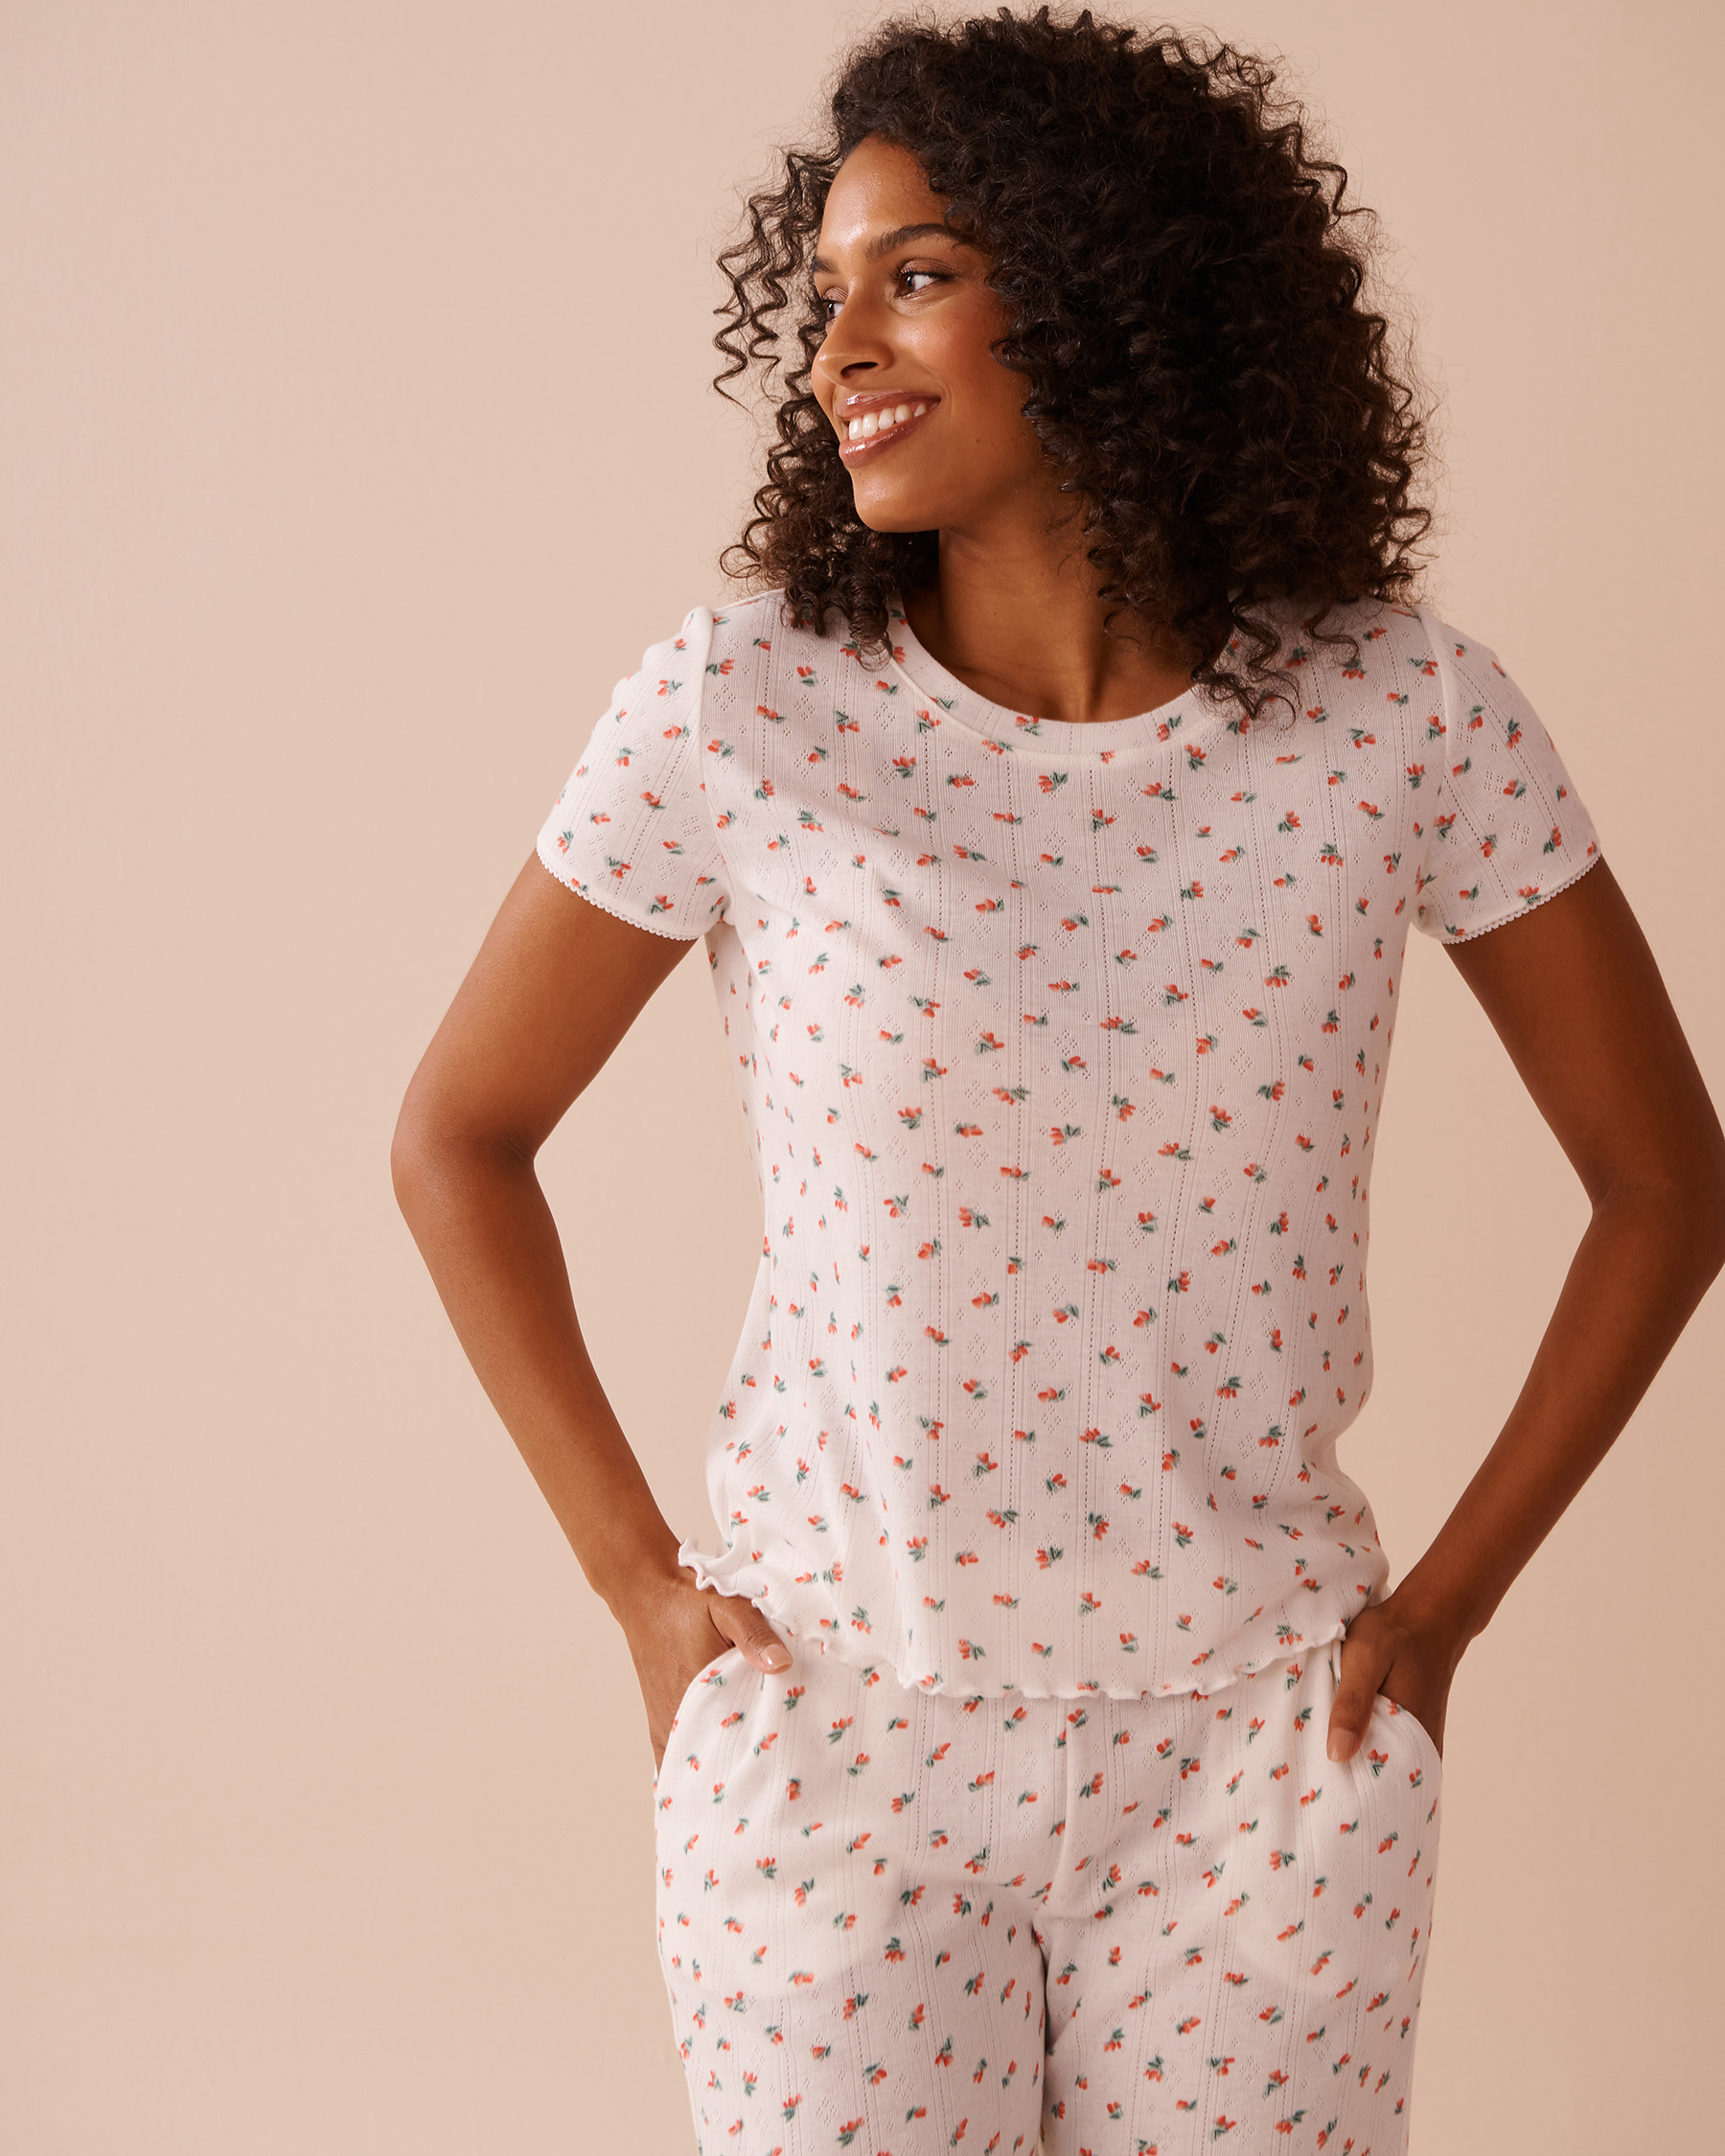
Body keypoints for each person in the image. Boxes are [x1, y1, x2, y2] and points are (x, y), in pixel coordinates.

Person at [390, 11, 1725, 2151]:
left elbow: (1665, 1182)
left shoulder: (1401, 716)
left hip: (1268, 1763)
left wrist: (1443, 1619)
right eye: (825, 292)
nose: (841, 348)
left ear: (1114, 290)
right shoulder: (742, 707)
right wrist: (642, 1590)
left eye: (914, 274)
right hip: (840, 1743)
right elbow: (458, 1139)